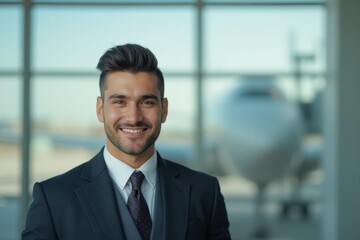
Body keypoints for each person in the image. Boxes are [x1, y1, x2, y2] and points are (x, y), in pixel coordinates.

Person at [22, 43, 231, 240]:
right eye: (119, 102)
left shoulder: (205, 192)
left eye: (147, 102)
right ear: (100, 109)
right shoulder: (54, 198)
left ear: (164, 110)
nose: (133, 116)